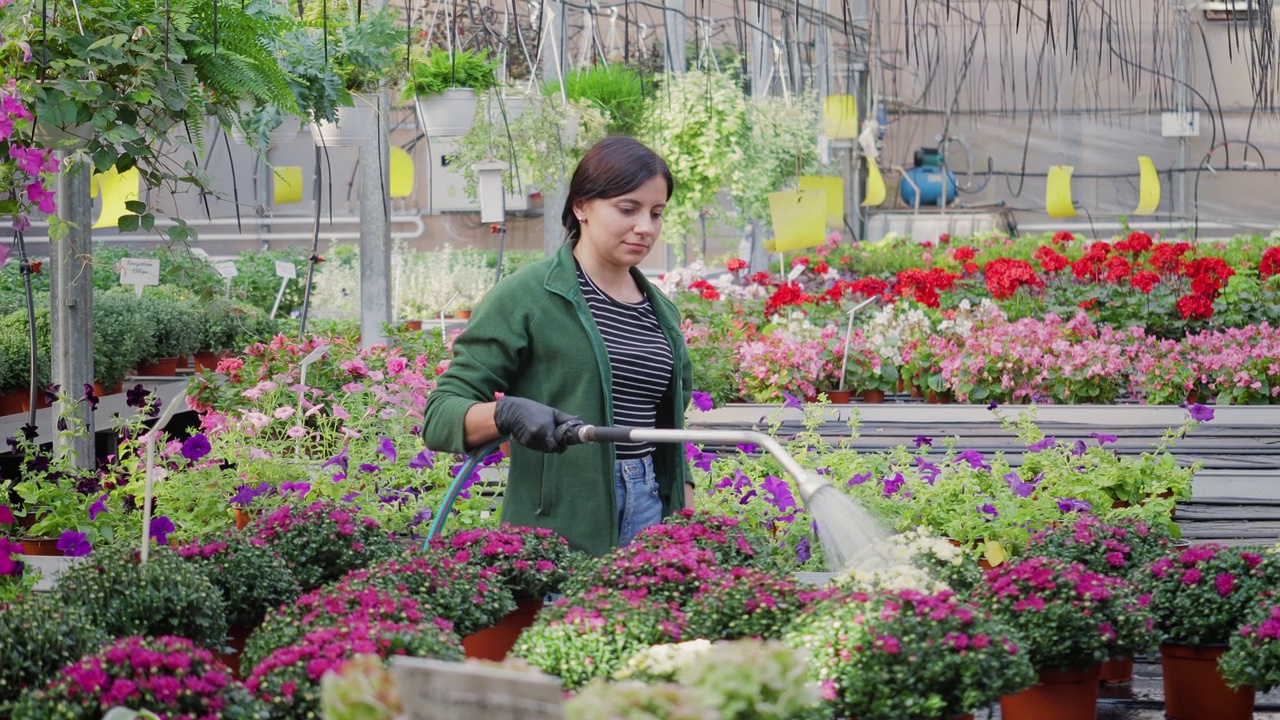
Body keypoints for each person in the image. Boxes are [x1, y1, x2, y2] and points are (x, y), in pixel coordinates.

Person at [421, 136, 695, 556]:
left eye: (656, 213)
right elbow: (441, 415)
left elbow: (670, 430)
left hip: (652, 517)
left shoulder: (661, 313)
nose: (646, 227)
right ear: (581, 206)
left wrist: (688, 522)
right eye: (628, 209)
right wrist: (506, 413)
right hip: (559, 526)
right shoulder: (527, 297)